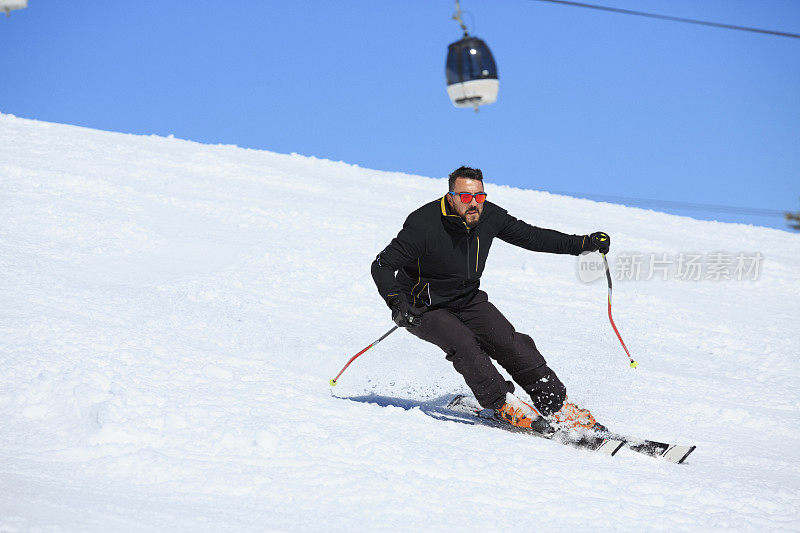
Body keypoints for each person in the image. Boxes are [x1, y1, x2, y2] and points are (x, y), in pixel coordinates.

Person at [370, 166, 611, 432]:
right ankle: (503, 404)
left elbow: (532, 236)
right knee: (464, 344)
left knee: (511, 343)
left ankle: (555, 404)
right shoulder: (423, 224)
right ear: (450, 197)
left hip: (467, 298)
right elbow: (381, 265)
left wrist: (582, 244)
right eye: (465, 197)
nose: (473, 204)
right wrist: (397, 304)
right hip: (422, 307)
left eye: (479, 197)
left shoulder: (489, 216)